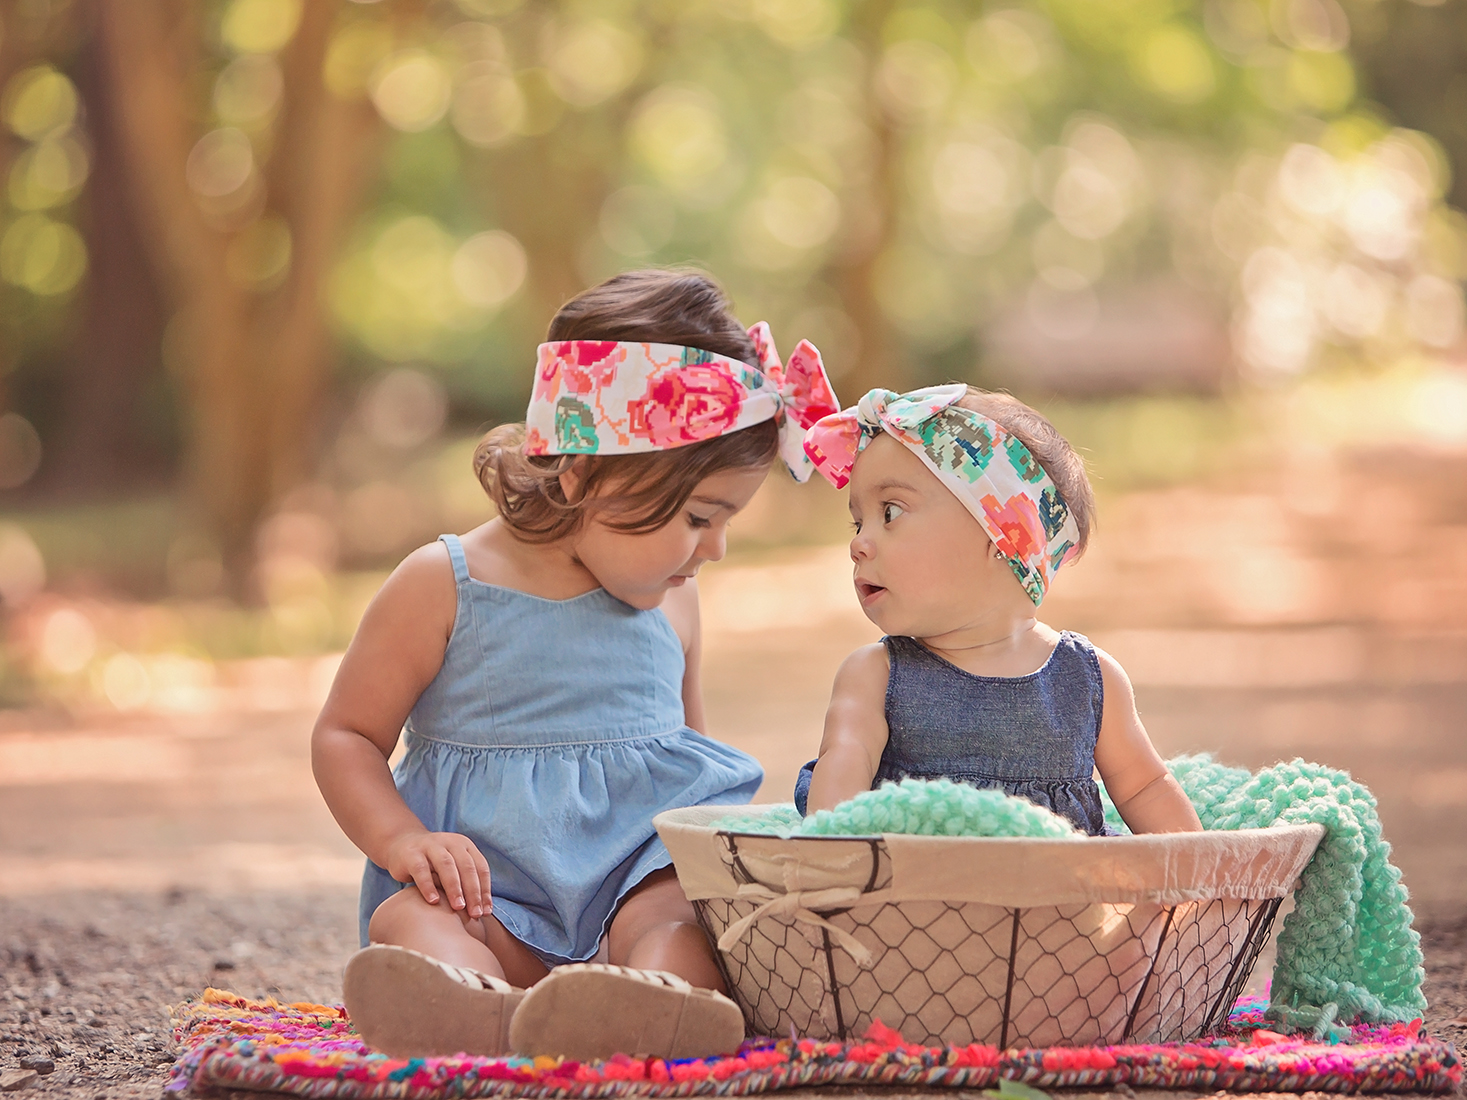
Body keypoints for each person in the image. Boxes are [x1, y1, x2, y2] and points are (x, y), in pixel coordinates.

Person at [311, 269, 838, 1062]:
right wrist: (401, 842)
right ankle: (469, 1009)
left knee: (676, 919)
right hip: (485, 897)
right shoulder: (445, 585)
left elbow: (688, 773)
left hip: (628, 898)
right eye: (699, 517)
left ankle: (649, 1004)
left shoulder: (675, 599)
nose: (715, 548)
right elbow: (345, 734)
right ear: (584, 470)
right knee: (411, 924)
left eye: (724, 521)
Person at [793, 384, 1201, 838]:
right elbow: (837, 800)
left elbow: (1146, 787)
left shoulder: (1088, 679)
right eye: (858, 521)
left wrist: (1203, 877)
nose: (857, 544)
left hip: (1063, 901)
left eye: (889, 513)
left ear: (1002, 536)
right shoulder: (876, 676)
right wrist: (829, 866)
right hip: (916, 900)